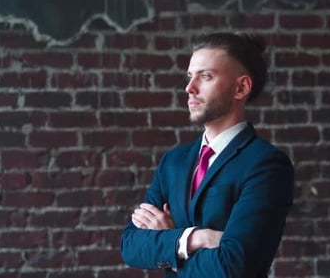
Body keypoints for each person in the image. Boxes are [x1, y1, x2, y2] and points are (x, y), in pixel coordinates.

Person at [120, 31, 294, 278]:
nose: (189, 88)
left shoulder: (266, 165)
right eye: (190, 77)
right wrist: (194, 238)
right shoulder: (174, 162)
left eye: (206, 76)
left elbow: (233, 266)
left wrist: (168, 242)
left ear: (241, 87)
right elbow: (130, 246)